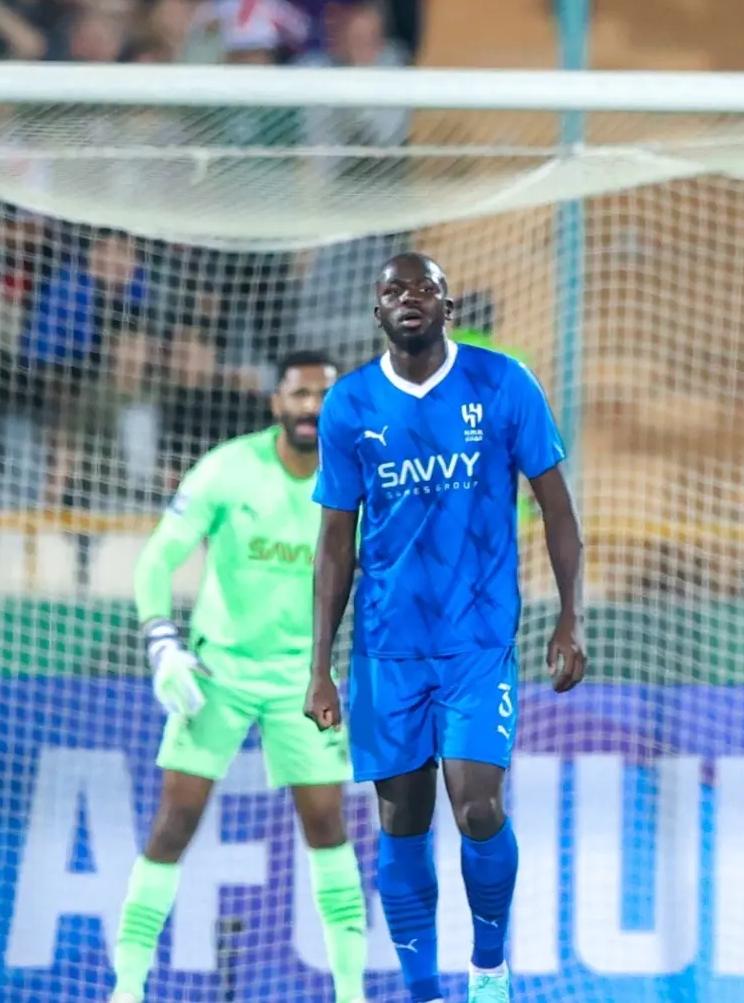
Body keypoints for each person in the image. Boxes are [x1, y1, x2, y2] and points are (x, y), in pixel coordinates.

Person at [307, 252, 588, 1003]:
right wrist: (319, 665)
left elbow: (558, 509)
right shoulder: (349, 405)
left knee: (477, 806)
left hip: (477, 639)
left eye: (423, 288)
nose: (408, 299)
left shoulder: (503, 383)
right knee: (401, 821)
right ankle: (423, 990)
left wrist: (570, 618)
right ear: (377, 311)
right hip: (384, 647)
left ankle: (489, 972)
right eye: (393, 289)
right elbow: (336, 542)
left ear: (447, 303)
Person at [109, 351, 368, 1003]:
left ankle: (351, 993)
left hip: (303, 681)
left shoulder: (360, 477)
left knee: (328, 830)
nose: (311, 407)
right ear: (275, 401)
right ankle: (127, 989)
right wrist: (162, 646)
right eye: (298, 394)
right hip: (217, 672)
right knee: (174, 822)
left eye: (323, 396)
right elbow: (154, 562)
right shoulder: (227, 468)